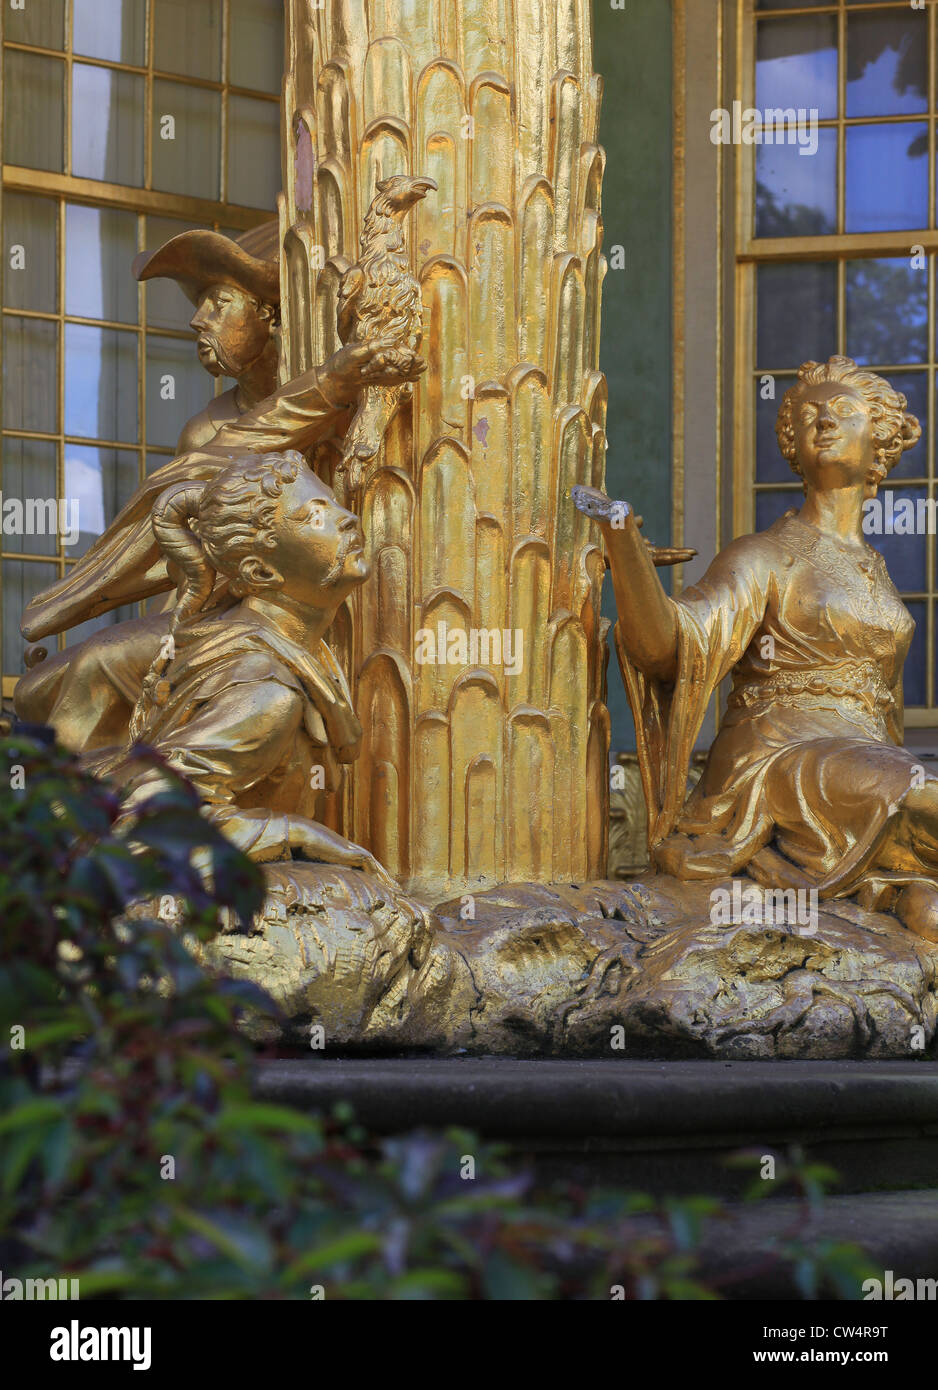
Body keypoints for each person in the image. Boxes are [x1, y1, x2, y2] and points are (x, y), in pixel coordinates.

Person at [574, 355, 938, 941]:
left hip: (867, 770)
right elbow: (671, 647)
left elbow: (885, 713)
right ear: (793, 442)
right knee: (917, 791)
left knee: (928, 912)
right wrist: (625, 552)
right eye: (810, 414)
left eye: (844, 412)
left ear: (883, 444)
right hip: (782, 761)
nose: (823, 421)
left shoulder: (877, 572)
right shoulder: (765, 555)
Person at [93, 450, 394, 885]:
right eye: (313, 515)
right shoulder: (267, 689)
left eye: (332, 503)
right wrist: (292, 832)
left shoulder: (299, 655)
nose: (347, 518)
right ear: (261, 571)